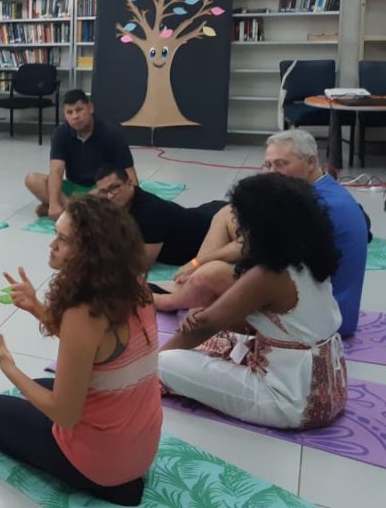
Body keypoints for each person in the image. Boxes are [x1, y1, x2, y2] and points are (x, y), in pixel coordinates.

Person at [0, 195, 161, 507]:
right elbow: (97, 349)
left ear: (91, 252)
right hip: (143, 444)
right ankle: (117, 471)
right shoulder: (136, 287)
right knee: (45, 386)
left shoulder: (83, 312)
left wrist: (8, 365)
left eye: (63, 239)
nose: (52, 245)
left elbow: (65, 413)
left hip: (106, 465)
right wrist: (37, 307)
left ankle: (109, 486)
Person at [159, 172, 347, 430]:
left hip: (293, 403)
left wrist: (149, 367)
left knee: (162, 364)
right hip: (330, 389)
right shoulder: (308, 255)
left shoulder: (267, 274)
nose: (238, 232)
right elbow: (282, 324)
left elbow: (203, 327)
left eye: (241, 223)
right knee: (225, 339)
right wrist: (208, 318)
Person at [155, 129, 368, 337]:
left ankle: (167, 300)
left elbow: (252, 249)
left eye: (282, 164)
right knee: (226, 213)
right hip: (321, 297)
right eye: (269, 165)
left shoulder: (314, 205)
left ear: (311, 162)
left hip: (324, 314)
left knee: (211, 272)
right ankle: (189, 290)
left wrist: (198, 262)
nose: (273, 173)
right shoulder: (324, 189)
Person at [25, 89, 137, 220]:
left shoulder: (112, 132)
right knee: (32, 179)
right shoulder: (60, 134)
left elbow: (131, 177)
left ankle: (71, 210)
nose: (75, 116)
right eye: (69, 112)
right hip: (74, 188)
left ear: (90, 108)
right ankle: (78, 209)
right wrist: (54, 204)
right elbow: (56, 172)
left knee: (113, 193)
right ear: (64, 114)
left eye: (79, 110)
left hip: (101, 188)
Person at [94, 165, 228, 267]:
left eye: (114, 188)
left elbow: (143, 264)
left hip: (208, 230)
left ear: (130, 183)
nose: (110, 195)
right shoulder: (116, 204)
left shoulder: (149, 211)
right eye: (104, 191)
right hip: (199, 214)